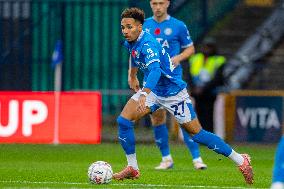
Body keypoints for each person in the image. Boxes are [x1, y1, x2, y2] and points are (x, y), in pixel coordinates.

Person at [114, 7, 253, 185]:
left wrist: (143, 94)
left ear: (140, 27)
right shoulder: (133, 40)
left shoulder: (148, 43)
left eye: (129, 27)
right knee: (124, 121)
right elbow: (133, 55)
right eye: (123, 27)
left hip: (173, 93)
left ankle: (241, 160)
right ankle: (132, 168)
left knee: (197, 134)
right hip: (155, 91)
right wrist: (132, 75)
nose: (125, 31)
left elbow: (155, 70)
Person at [129, 0, 206, 170]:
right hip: (152, 81)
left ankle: (197, 158)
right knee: (157, 117)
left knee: (185, 120)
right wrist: (132, 74)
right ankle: (166, 159)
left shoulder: (178, 26)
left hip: (172, 81)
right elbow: (134, 51)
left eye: (161, 3)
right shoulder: (144, 25)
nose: (158, 7)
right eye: (154, 3)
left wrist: (177, 58)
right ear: (150, 4)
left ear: (168, 4)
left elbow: (190, 49)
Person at [188, 37, 226, 133]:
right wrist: (193, 88)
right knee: (199, 115)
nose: (207, 49)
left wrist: (203, 88)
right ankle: (201, 136)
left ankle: (209, 137)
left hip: (210, 92)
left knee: (208, 115)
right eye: (205, 47)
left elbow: (218, 78)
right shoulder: (195, 58)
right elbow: (189, 74)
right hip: (197, 92)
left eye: (210, 47)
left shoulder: (219, 60)